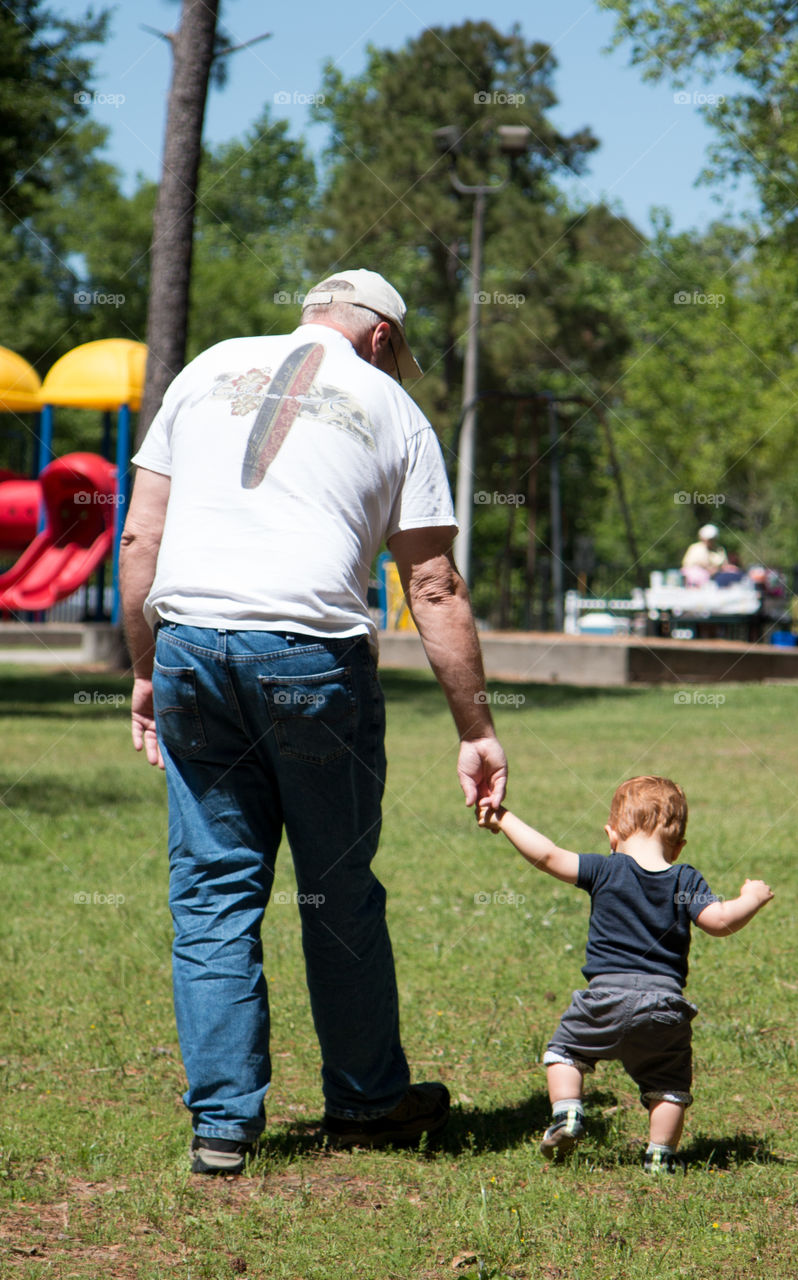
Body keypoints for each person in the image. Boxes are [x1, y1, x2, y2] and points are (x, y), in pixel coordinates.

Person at [119, 269, 508, 1174]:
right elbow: (434, 585)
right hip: (308, 660)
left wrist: (145, 671)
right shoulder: (393, 409)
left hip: (189, 648)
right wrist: (476, 729)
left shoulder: (207, 367)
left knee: (213, 892)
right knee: (335, 891)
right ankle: (368, 1104)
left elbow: (140, 537)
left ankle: (221, 1129)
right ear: (379, 339)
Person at [478, 776, 773, 1172]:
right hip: (665, 1007)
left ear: (611, 834)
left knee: (566, 1052)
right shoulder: (686, 879)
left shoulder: (604, 869)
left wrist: (504, 818)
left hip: (604, 999)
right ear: (680, 845)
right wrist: (750, 899)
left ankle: (567, 1114)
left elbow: (547, 855)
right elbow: (719, 922)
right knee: (668, 1087)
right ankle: (659, 1157)